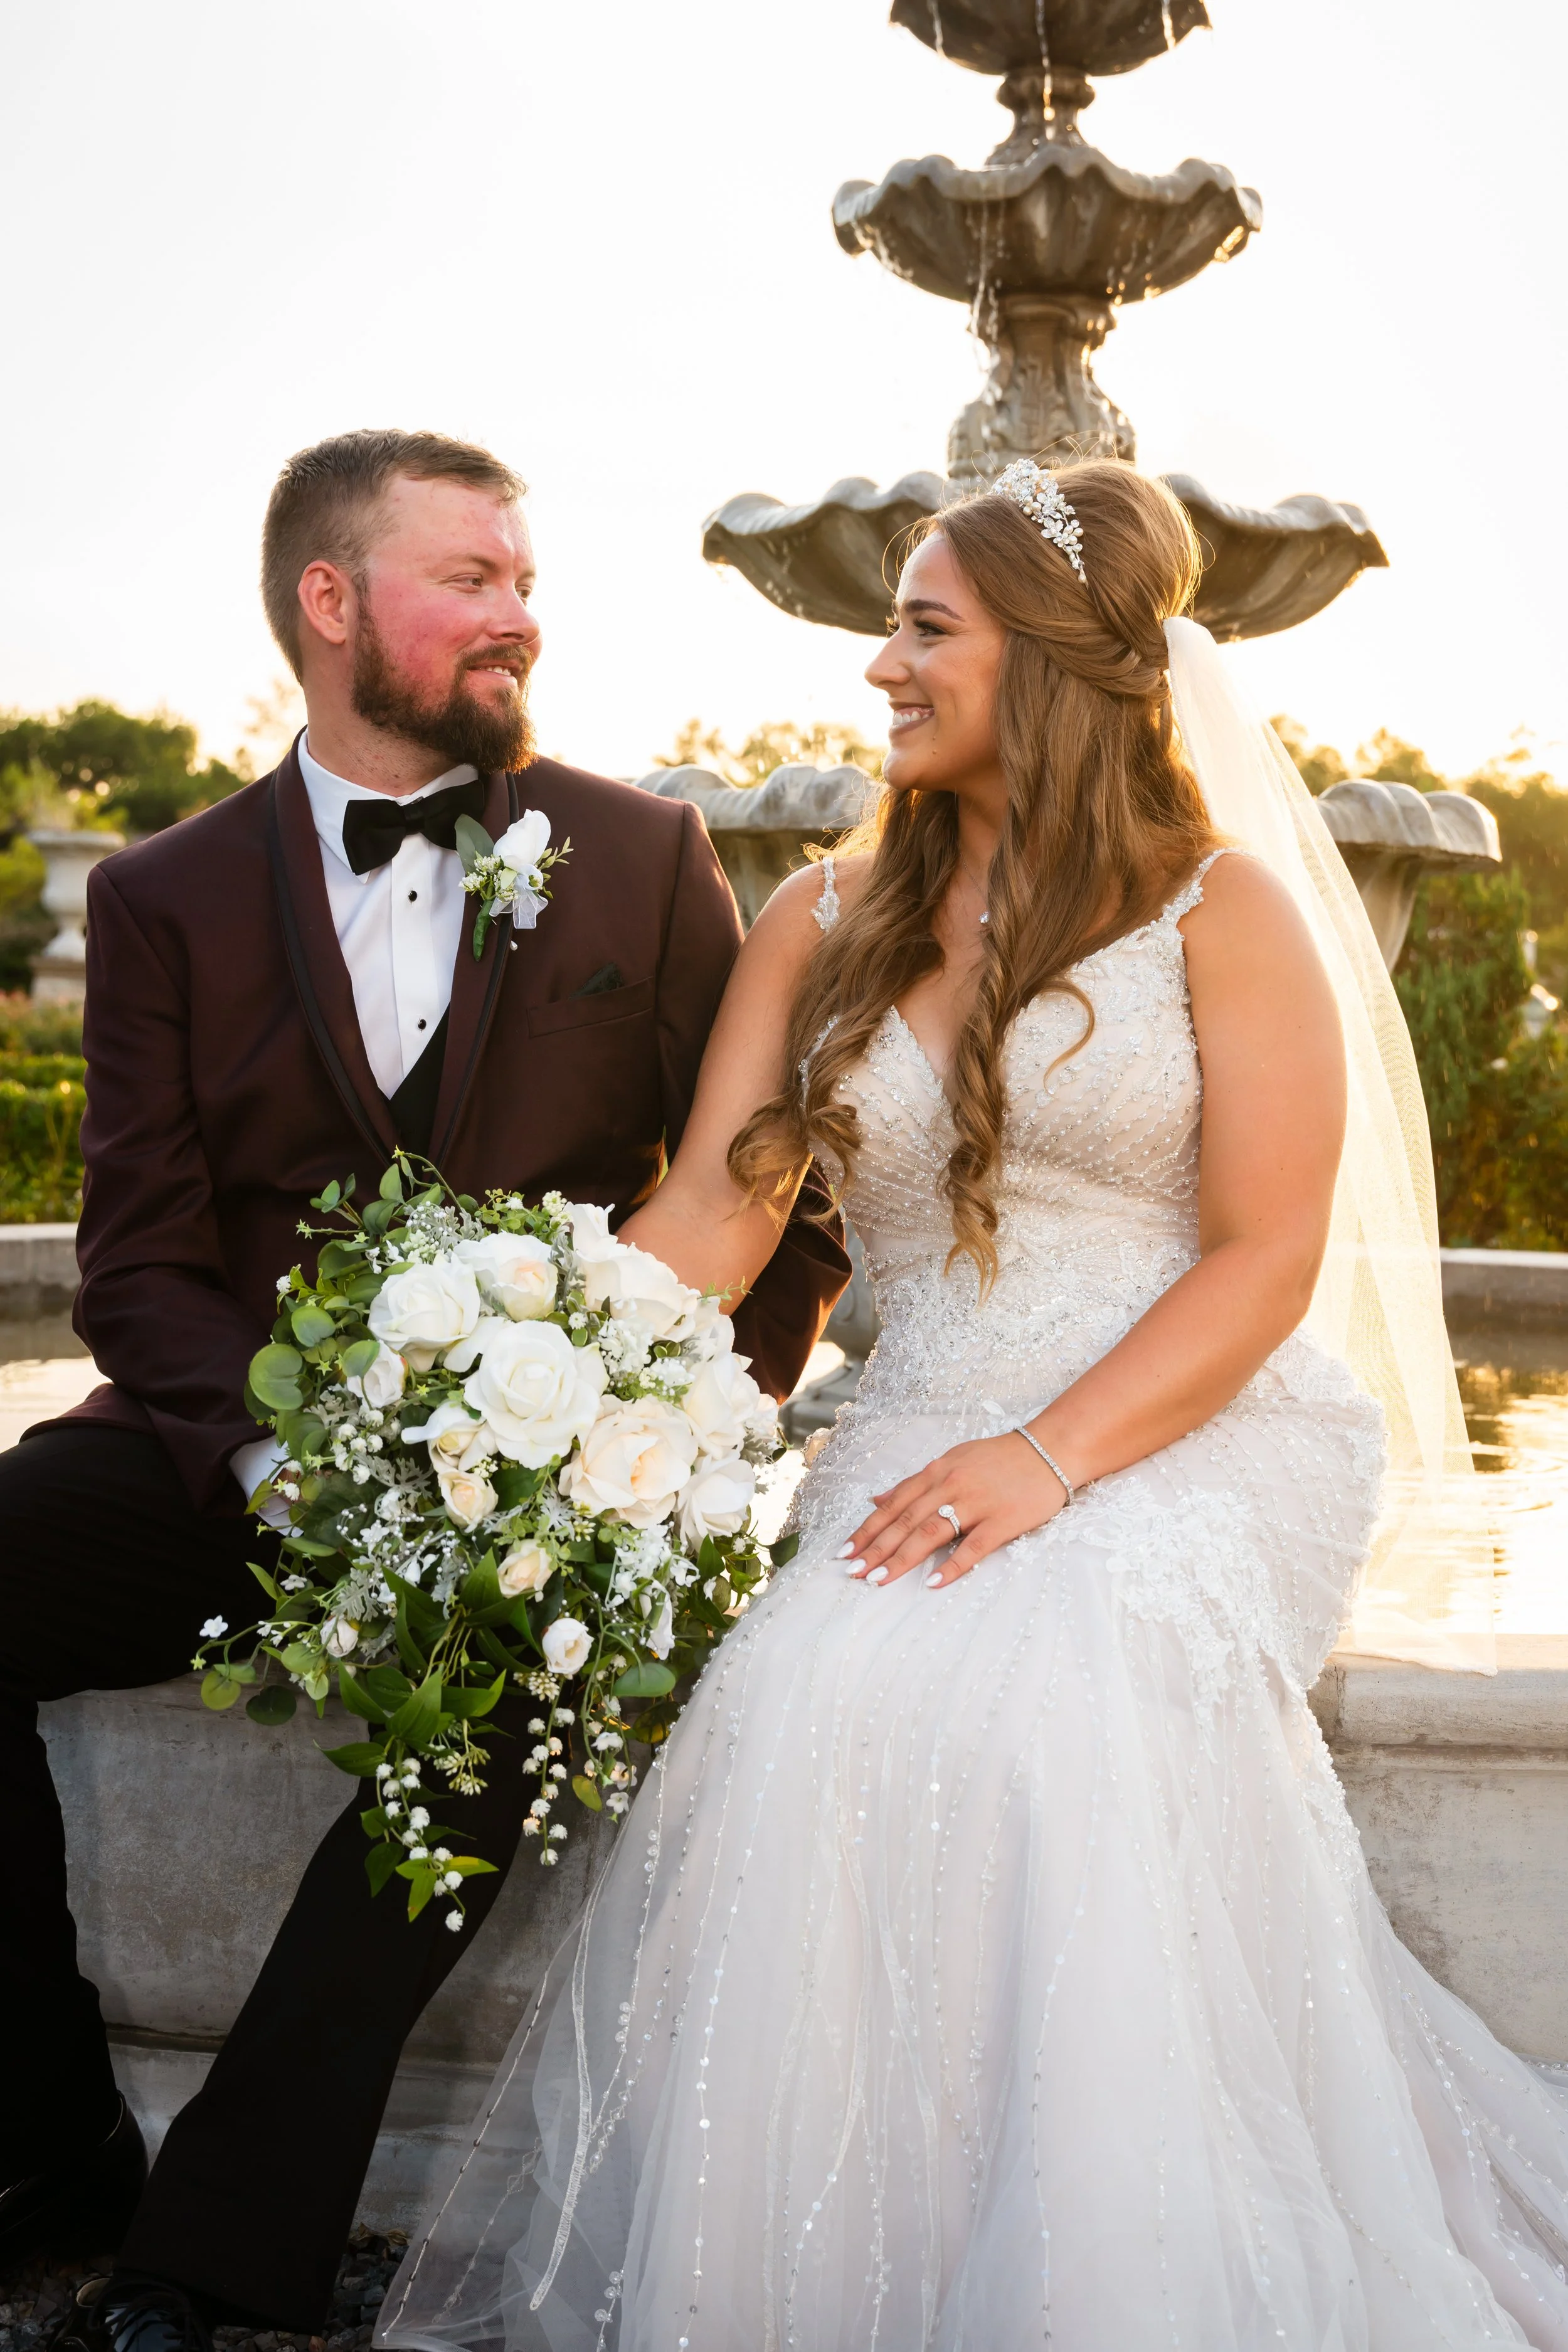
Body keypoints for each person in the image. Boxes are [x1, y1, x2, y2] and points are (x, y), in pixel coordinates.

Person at [376, 460, 1568, 2351]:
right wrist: (492, 1371)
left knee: (1057, 1671)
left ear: (1058, 663)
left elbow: (1260, 1259)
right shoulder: (824, 915)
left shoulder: (1226, 913)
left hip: (1187, 1422)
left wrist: (1044, 1457)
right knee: (821, 1686)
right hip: (919, 1421)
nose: (880, 664)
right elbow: (709, 1210)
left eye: (927, 627)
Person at [0, 428, 845, 2343]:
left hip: (556, 1483)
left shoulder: (643, 857)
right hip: (225, 1462)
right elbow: (135, 1259)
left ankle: (214, 2246)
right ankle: (44, 2143)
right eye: (469, 574)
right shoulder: (159, 896)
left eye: (522, 578)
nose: (517, 611)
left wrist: (661, 1459)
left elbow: (783, 1210)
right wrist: (271, 1468)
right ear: (332, 602)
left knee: (510, 1685)